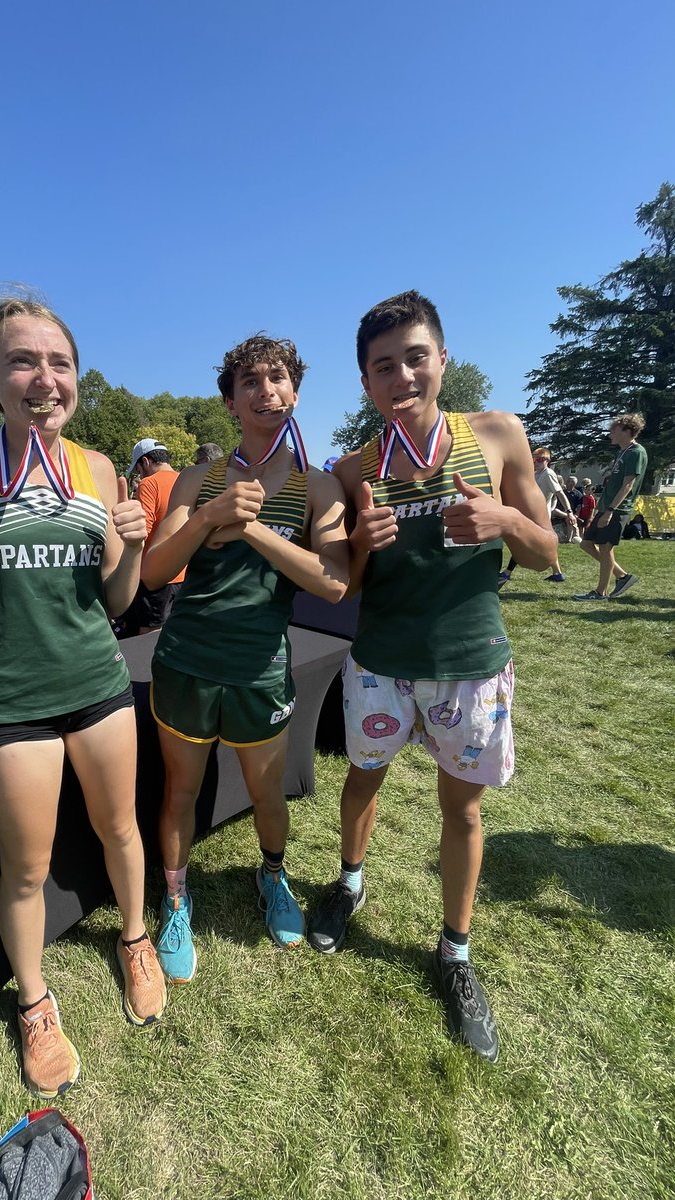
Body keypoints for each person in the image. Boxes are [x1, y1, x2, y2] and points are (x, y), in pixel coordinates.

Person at [0, 297, 167, 1098]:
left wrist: (135, 548)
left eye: (59, 363)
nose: (43, 379)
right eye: (22, 361)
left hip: (98, 685)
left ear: (75, 377)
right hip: (8, 701)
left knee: (122, 829)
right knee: (27, 867)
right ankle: (36, 1005)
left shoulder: (98, 466)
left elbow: (116, 602)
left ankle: (136, 940)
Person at [307, 291, 557, 1064]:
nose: (403, 375)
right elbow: (339, 579)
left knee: (464, 813)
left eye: (416, 357)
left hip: (469, 666)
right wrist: (359, 539)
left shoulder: (498, 436)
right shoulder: (354, 468)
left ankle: (455, 950)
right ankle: (349, 883)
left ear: (442, 359)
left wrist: (508, 523)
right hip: (382, 664)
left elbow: (547, 553)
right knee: (361, 781)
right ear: (366, 384)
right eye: (384, 366)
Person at [142, 334, 348, 984]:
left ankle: (273, 877)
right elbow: (152, 574)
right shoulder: (196, 479)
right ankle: (176, 900)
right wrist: (208, 518)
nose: (267, 391)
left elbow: (335, 582)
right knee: (181, 789)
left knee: (266, 791)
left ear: (295, 390)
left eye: (279, 378)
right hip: (186, 663)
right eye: (251, 382)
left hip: (260, 668)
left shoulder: (317, 486)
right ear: (231, 401)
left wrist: (254, 529)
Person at [575, 414, 648, 600]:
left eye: (613, 430)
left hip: (617, 509)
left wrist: (611, 511)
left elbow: (628, 485)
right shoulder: (622, 452)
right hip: (606, 506)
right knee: (586, 543)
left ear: (627, 431)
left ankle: (601, 592)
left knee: (606, 548)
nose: (610, 435)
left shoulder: (636, 452)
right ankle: (622, 576)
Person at [119, 439, 185, 636]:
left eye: (138, 469)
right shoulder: (186, 481)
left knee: (150, 632)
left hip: (154, 575)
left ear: (145, 462)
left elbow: (141, 530)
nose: (139, 474)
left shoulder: (149, 484)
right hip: (184, 572)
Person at [497, 447, 576, 585]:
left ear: (547, 461)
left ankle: (507, 572)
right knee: (540, 545)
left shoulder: (548, 474)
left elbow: (559, 493)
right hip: (533, 514)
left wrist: (569, 512)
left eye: (539, 459)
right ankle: (557, 573)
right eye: (534, 459)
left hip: (540, 517)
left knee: (522, 542)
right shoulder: (535, 474)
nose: (536, 462)